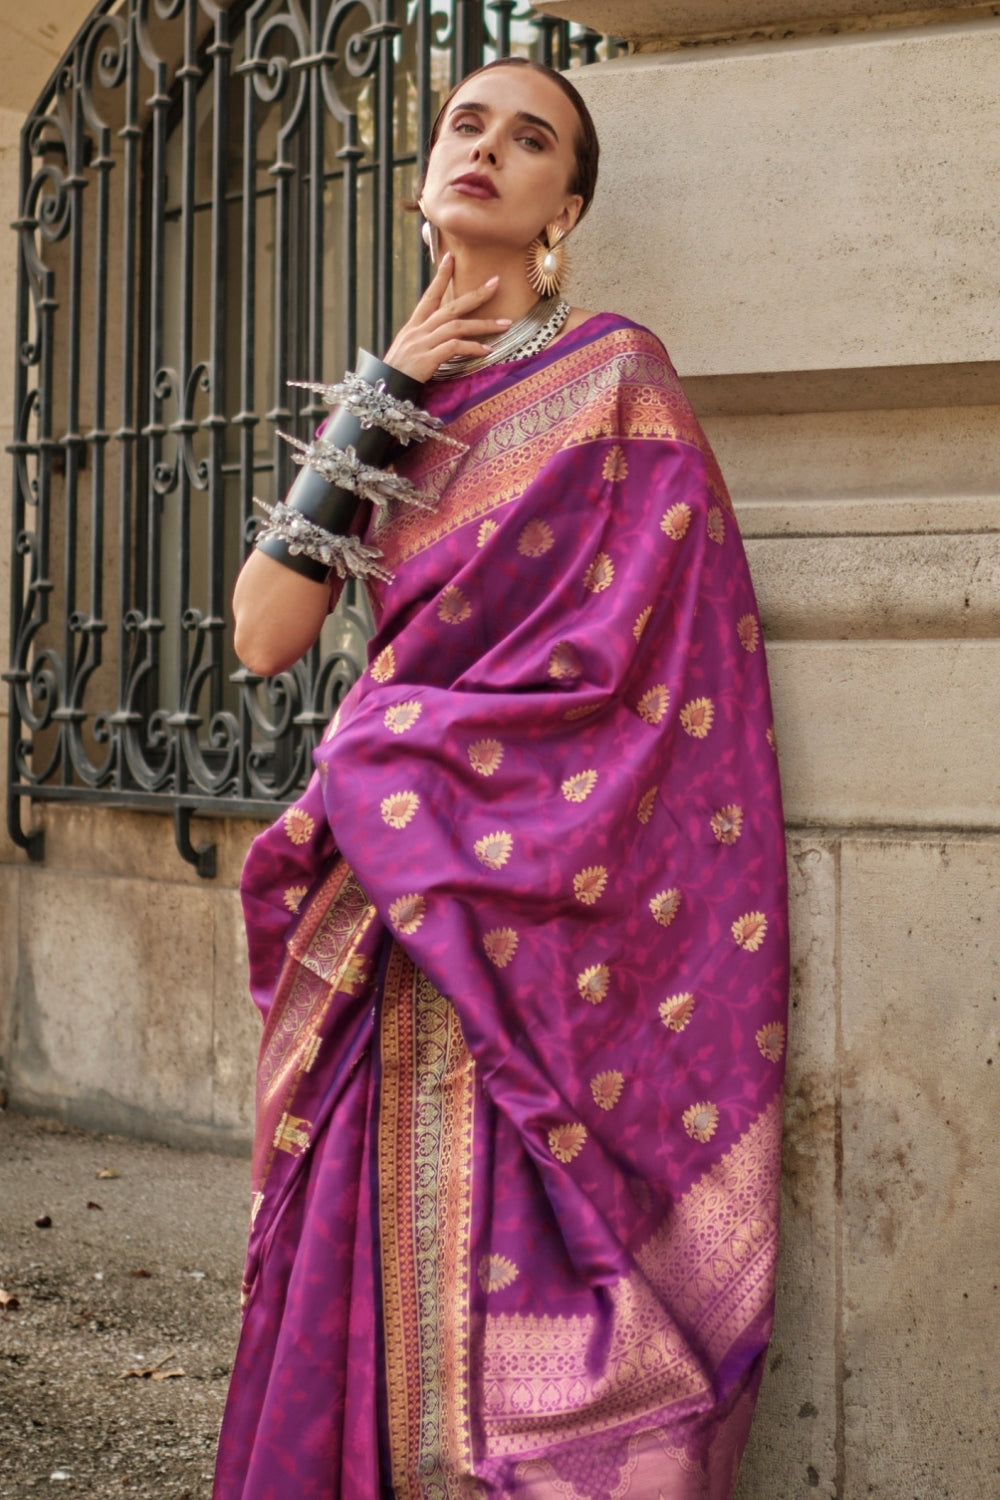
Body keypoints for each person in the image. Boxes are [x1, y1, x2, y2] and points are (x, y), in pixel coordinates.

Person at [216, 56, 788, 1500]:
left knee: (527, 1306)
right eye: (467, 122)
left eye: (531, 139)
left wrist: (420, 753)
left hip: (526, 896)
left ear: (565, 207)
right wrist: (390, 386)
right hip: (394, 905)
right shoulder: (392, 398)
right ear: (427, 170)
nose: (488, 147)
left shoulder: (613, 377)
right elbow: (263, 635)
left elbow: (659, 676)